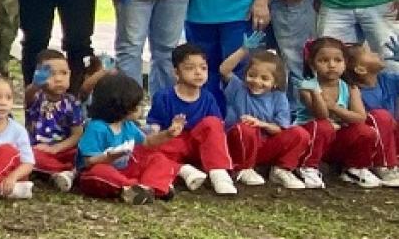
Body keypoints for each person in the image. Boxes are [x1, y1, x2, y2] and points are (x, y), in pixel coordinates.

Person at [145, 44, 238, 195]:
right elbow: (154, 126)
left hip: (199, 146)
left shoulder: (208, 98)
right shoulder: (164, 97)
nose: (198, 73)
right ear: (176, 72)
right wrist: (168, 132)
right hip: (174, 143)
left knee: (213, 123)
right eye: (190, 68)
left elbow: (216, 130)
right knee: (149, 148)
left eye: (203, 68)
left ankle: (219, 173)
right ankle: (183, 171)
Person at [218, 35, 309, 189]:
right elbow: (224, 69)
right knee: (245, 129)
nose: (257, 82)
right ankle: (242, 168)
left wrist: (261, 124)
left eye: (265, 78)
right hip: (240, 146)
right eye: (252, 75)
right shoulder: (238, 88)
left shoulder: (279, 97)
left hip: (265, 146)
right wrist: (244, 50)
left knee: (300, 134)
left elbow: (280, 129)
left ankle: (281, 170)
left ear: (275, 83)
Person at [76, 72, 182, 203]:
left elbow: (147, 142)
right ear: (120, 107)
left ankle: (148, 188)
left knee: (158, 159)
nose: (140, 109)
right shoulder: (96, 128)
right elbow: (88, 162)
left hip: (126, 169)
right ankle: (133, 188)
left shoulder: (128, 125)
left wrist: (168, 134)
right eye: (136, 106)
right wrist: (109, 157)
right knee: (99, 173)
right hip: (101, 170)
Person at [295, 37, 385, 188]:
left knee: (366, 131)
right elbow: (322, 116)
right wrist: (317, 93)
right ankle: (307, 166)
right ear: (312, 64)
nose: (331, 65)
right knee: (324, 126)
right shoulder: (307, 87)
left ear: (345, 63)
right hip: (312, 140)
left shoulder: (350, 87)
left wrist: (335, 107)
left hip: (336, 141)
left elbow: (360, 118)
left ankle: (354, 168)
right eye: (324, 61)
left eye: (337, 60)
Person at [24, 49, 85, 192]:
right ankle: (66, 173)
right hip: (38, 150)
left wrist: (56, 148)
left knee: (83, 153)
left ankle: (65, 173)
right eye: (51, 74)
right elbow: (29, 95)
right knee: (31, 156)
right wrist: (35, 84)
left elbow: (77, 134)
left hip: (63, 149)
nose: (58, 79)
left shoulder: (72, 102)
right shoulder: (37, 97)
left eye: (64, 73)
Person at [347, 41, 399, 186]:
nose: (375, 53)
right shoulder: (355, 92)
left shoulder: (387, 79)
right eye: (368, 53)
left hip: (392, 139)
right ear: (361, 69)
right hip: (372, 146)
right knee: (382, 116)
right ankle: (384, 166)